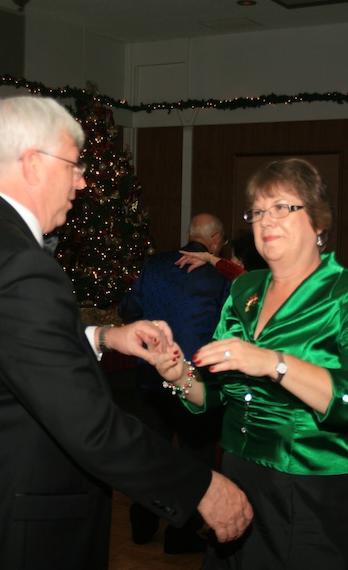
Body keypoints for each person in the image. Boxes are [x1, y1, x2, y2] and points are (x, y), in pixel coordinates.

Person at [0, 95, 252, 570]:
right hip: (15, 533)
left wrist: (104, 338)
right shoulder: (18, 265)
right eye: (73, 164)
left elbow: (2, 350)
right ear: (31, 164)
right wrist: (201, 487)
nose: (83, 180)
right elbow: (91, 426)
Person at [156, 158, 348, 568]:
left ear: (319, 222)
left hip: (312, 488)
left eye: (283, 207)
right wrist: (180, 376)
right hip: (237, 480)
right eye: (258, 212)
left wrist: (274, 363)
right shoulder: (245, 287)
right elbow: (216, 393)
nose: (267, 220)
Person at [117, 213, 231, 554]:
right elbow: (230, 324)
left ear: (188, 234)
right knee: (195, 460)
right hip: (195, 381)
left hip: (153, 375)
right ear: (215, 241)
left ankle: (143, 522)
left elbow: (128, 309)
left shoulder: (154, 265)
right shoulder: (219, 275)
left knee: (153, 454)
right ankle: (180, 535)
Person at [175, 228, 268, 280]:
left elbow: (242, 277)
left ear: (240, 262)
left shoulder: (245, 289)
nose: (229, 260)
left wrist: (209, 257)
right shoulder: (269, 282)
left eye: (232, 256)